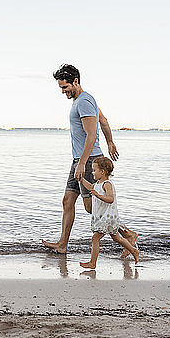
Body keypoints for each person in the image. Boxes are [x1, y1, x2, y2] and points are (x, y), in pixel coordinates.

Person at [41, 63, 138, 255]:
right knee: (67, 201)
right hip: (80, 159)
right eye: (61, 88)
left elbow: (91, 135)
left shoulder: (84, 101)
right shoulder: (84, 100)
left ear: (75, 81)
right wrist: (110, 142)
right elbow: (103, 120)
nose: (63, 91)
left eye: (65, 87)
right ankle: (62, 244)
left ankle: (128, 234)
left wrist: (83, 163)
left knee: (90, 206)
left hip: (88, 160)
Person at [80, 156, 139, 269]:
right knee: (117, 238)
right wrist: (81, 180)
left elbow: (110, 199)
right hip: (103, 217)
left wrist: (98, 195)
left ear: (102, 172)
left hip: (107, 218)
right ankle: (134, 251)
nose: (92, 172)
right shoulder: (97, 183)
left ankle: (92, 263)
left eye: (94, 170)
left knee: (95, 239)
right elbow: (91, 187)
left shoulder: (107, 184)